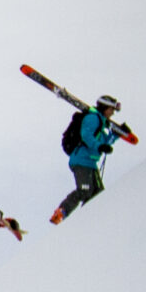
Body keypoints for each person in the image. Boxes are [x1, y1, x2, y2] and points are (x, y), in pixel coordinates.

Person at [51, 94, 124, 223]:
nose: (113, 113)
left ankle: (88, 220)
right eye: (111, 109)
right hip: (81, 160)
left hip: (90, 162)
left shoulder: (101, 122)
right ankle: (61, 212)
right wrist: (100, 146)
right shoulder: (93, 118)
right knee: (85, 191)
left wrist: (116, 135)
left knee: (98, 194)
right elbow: (86, 136)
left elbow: (103, 142)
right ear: (105, 107)